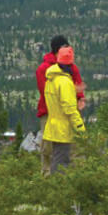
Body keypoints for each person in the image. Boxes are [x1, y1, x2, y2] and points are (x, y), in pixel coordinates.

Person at [35, 35, 84, 175]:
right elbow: (46, 93)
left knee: (69, 149)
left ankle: (66, 176)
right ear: (57, 50)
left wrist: (80, 98)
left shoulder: (71, 68)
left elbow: (78, 85)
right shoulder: (44, 69)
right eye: (65, 48)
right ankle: (47, 176)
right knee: (48, 149)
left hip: (66, 112)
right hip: (50, 112)